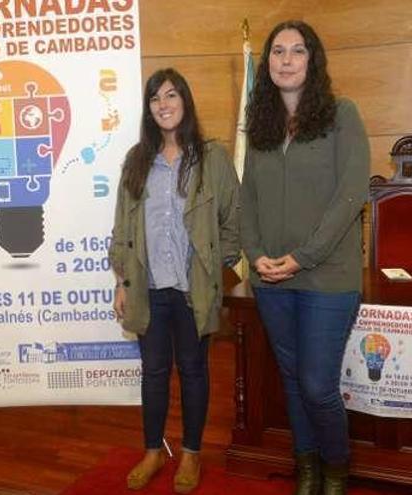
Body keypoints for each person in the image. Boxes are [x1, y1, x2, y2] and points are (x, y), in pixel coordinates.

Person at [239, 20, 370, 495]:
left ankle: (336, 468)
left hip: (327, 279)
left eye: (297, 51)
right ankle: (306, 466)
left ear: (312, 60)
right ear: (268, 62)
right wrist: (255, 256)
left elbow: (351, 195)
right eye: (277, 51)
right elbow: (246, 199)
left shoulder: (342, 115)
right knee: (292, 380)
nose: (286, 59)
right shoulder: (261, 128)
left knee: (317, 384)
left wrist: (302, 256)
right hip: (270, 278)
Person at [108, 68, 240, 493]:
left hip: (192, 291)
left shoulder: (212, 158)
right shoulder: (136, 160)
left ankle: (191, 454)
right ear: (148, 109)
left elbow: (234, 225)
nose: (163, 105)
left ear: (185, 101)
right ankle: (151, 451)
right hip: (148, 288)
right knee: (154, 372)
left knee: (195, 370)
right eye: (154, 99)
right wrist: (123, 282)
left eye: (171, 95)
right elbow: (122, 230)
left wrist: (213, 272)